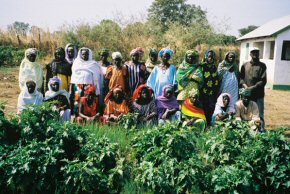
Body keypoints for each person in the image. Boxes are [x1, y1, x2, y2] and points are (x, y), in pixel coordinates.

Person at [240, 47, 267, 131]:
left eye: (257, 52)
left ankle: (261, 130)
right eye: (253, 52)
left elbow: (263, 81)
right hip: (247, 94)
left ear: (259, 54)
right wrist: (244, 85)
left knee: (259, 112)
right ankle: (248, 129)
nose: (255, 54)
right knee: (247, 112)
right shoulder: (245, 65)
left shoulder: (262, 66)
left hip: (258, 94)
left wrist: (253, 87)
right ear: (250, 54)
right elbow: (241, 78)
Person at [70, 47, 102, 115]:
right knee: (77, 102)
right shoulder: (76, 63)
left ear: (89, 54)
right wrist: (71, 89)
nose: (85, 56)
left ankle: (87, 118)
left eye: (86, 54)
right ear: (81, 55)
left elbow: (96, 79)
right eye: (83, 54)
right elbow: (73, 77)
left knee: (87, 102)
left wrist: (96, 90)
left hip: (89, 87)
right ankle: (77, 117)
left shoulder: (93, 64)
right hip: (78, 87)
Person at [201, 49, 219, 126]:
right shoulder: (202, 66)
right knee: (203, 106)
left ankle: (209, 122)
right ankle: (204, 122)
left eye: (212, 57)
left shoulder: (214, 67)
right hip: (203, 91)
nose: (210, 58)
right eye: (209, 57)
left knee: (211, 106)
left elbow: (216, 78)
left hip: (212, 91)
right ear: (206, 57)